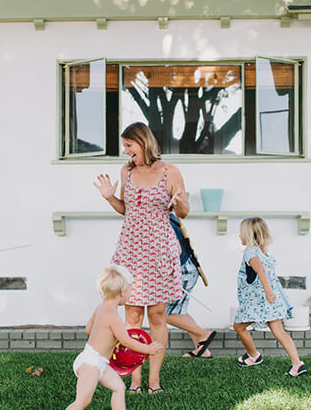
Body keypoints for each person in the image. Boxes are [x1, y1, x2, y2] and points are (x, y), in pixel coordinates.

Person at [93, 122, 189, 394]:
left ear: (143, 143)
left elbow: (183, 211)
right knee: (132, 317)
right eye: (125, 146)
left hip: (159, 250)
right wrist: (110, 197)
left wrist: (179, 202)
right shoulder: (127, 171)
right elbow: (128, 210)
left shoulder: (170, 172)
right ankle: (135, 379)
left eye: (129, 146)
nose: (126, 151)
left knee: (157, 317)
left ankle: (153, 380)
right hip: (131, 250)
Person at [66, 265, 163, 410]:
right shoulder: (113, 316)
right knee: (82, 402)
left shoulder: (101, 307)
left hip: (99, 362)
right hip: (90, 364)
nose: (130, 294)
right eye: (130, 290)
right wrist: (148, 348)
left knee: (119, 387)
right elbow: (126, 341)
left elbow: (88, 329)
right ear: (123, 293)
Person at [232, 217, 308, 377]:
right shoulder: (264, 252)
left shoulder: (250, 252)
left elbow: (261, 271)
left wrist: (268, 292)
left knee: (239, 327)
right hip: (270, 302)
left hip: (257, 302)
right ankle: (297, 364)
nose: (239, 235)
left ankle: (253, 356)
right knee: (280, 332)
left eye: (241, 233)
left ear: (249, 235)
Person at [165, 213, 217, 358]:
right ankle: (202, 350)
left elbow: (176, 250)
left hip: (181, 271)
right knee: (180, 312)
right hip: (188, 268)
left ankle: (203, 334)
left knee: (165, 314)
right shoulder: (171, 217)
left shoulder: (163, 222)